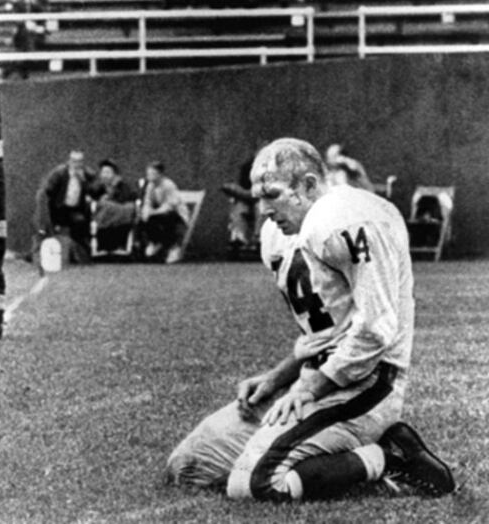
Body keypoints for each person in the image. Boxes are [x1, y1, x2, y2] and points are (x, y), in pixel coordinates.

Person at [166, 137, 456, 502]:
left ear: (307, 184)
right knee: (191, 465)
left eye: (272, 194)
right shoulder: (277, 235)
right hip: (316, 379)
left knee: (253, 484)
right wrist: (278, 377)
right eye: (259, 198)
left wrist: (308, 389)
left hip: (365, 385)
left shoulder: (348, 217)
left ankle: (387, 455)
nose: (264, 210)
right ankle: (313, 447)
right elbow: (322, 333)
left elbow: (374, 331)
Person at [34, 150, 97, 265]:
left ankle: (81, 257)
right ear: (69, 161)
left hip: (75, 209)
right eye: (74, 161)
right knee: (46, 229)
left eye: (80, 162)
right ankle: (39, 255)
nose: (77, 165)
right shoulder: (60, 173)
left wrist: (84, 182)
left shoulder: (87, 174)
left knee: (80, 223)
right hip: (58, 208)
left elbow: (96, 190)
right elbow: (47, 189)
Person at [138, 161, 189, 264]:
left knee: (167, 218)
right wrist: (146, 211)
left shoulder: (169, 185)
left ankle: (174, 248)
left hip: (177, 216)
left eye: (153, 174)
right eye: (148, 174)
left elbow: (170, 206)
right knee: (143, 219)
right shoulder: (150, 186)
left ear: (160, 174)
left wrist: (154, 212)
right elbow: (147, 201)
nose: (150, 177)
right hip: (159, 214)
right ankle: (155, 241)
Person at [3, 0, 50, 80]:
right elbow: (13, 13)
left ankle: (11, 69)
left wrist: (36, 25)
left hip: (39, 29)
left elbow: (45, 14)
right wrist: (25, 22)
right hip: (22, 30)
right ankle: (21, 66)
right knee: (24, 33)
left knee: (27, 36)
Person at [92, 159, 138, 252]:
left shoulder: (123, 186)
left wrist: (110, 199)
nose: (105, 175)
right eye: (103, 172)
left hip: (121, 218)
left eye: (108, 172)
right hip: (103, 218)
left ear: (115, 174)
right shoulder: (99, 187)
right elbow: (93, 198)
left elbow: (127, 199)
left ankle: (119, 246)